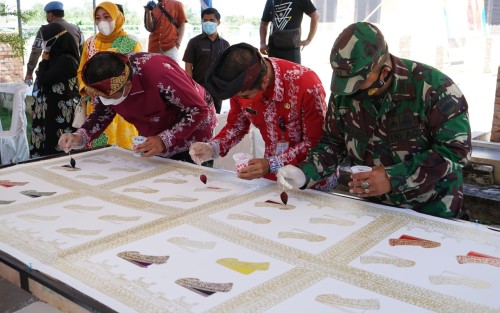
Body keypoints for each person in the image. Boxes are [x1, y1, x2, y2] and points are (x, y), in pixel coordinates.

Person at [277, 22, 472, 218]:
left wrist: (392, 178)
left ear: (384, 72)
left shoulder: (434, 89)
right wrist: (304, 173)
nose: (352, 91)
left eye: (359, 83)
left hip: (431, 209)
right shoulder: (345, 92)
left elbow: (456, 152)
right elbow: (333, 143)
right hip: (375, 209)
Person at [189, 42, 326, 180]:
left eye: (245, 96)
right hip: (272, 176)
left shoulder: (306, 86)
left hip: (309, 178)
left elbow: (316, 143)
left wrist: (272, 163)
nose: (242, 100)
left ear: (264, 82)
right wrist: (213, 148)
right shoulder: (241, 85)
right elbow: (236, 126)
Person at [59, 51, 217, 163]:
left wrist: (164, 140)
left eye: (109, 97)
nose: (104, 101)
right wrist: (80, 136)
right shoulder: (106, 81)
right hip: (155, 126)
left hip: (193, 124)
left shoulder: (158, 73)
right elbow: (101, 113)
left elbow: (198, 109)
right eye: (101, 97)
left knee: (188, 179)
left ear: (128, 86)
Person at [77, 1, 142, 150]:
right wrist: (86, 89)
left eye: (106, 17)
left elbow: (136, 74)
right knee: (97, 140)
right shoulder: (90, 43)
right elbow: (81, 70)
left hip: (123, 101)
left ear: (117, 17)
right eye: (98, 18)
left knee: (123, 144)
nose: (102, 22)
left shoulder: (131, 43)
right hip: (96, 102)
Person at [30, 23, 81, 157]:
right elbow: (41, 85)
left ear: (56, 39)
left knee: (56, 147)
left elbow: (44, 78)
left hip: (58, 113)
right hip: (47, 111)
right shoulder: (53, 58)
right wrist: (35, 106)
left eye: (46, 39)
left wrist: (43, 62)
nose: (43, 44)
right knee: (44, 144)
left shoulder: (67, 60)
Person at [24, 1, 84, 85]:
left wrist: (29, 73)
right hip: (73, 74)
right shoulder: (77, 29)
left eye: (46, 14)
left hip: (52, 75)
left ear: (50, 15)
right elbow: (83, 52)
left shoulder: (45, 30)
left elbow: (36, 52)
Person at [182, 7, 229, 114]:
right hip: (199, 87)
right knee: (199, 115)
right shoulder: (194, 42)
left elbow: (227, 68)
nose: (208, 23)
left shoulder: (225, 44)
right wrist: (191, 86)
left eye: (212, 20)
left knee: (215, 116)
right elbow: (188, 65)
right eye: (205, 20)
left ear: (218, 22)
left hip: (217, 89)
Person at [259, 0, 319, 64]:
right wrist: (262, 43)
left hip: (292, 50)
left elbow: (315, 16)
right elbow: (264, 23)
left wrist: (309, 39)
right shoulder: (271, 1)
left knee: (293, 73)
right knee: (275, 73)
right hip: (273, 49)